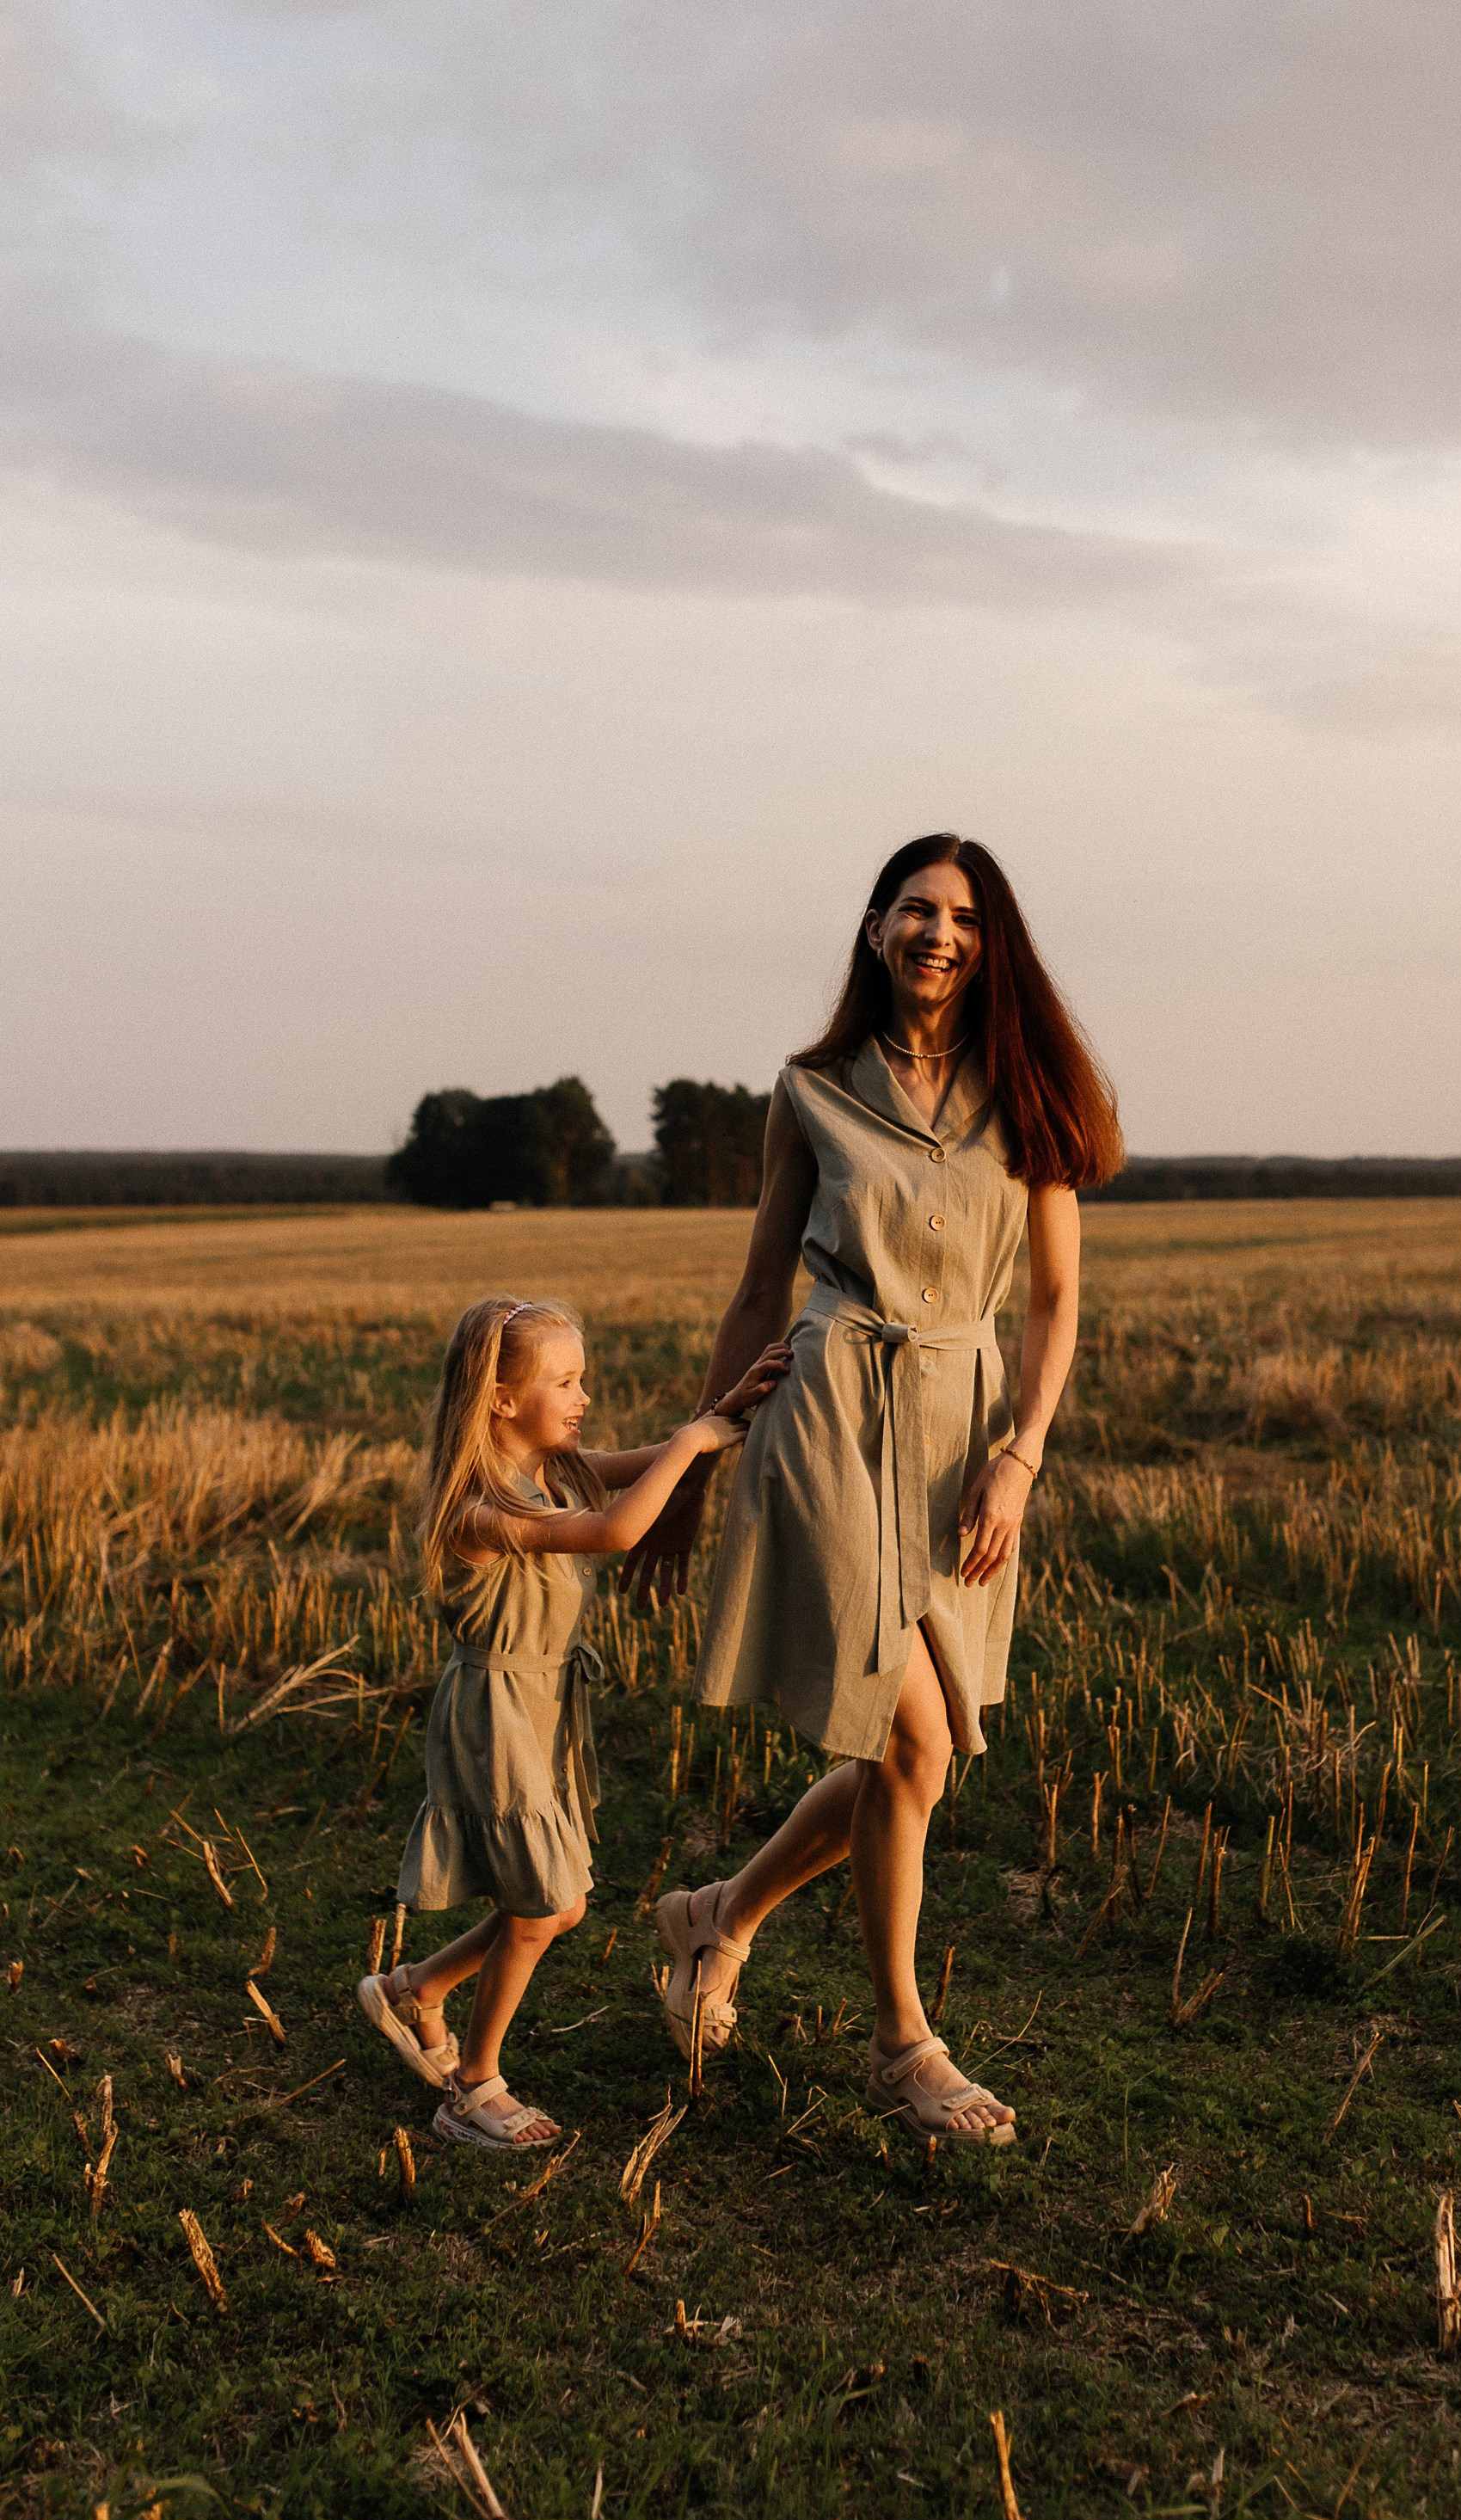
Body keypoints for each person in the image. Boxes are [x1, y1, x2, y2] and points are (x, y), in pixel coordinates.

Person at [626, 834, 1124, 2147]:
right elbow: (759, 1290)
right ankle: (903, 2045)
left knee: (923, 1755)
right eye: (916, 909)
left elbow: (1056, 1301)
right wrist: (691, 1466)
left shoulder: (1032, 1094)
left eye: (963, 916)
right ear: (874, 928)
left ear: (991, 943)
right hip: (828, 1414)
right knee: (908, 1740)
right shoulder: (810, 1089)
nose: (938, 932)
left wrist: (1021, 1455)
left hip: (966, 1436)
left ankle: (717, 1916)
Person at [358, 1294, 786, 2150]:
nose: (584, 1396)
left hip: (542, 1710)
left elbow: (638, 1466)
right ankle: (470, 2089)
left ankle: (416, 1990)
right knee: (540, 1906)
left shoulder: (555, 1469)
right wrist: (695, 1443)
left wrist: (723, 1412)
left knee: (559, 1905)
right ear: (501, 1400)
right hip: (496, 1718)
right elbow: (617, 1531)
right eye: (565, 1382)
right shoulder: (481, 1510)